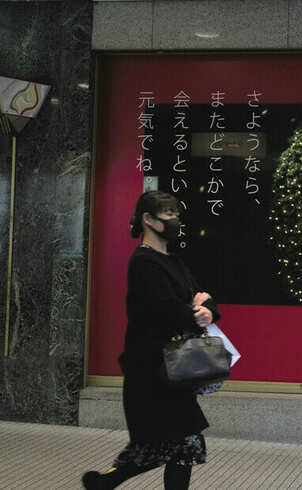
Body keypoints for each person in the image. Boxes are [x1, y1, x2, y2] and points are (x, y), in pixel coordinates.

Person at [83, 190, 220, 490]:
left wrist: (205, 309)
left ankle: (103, 484)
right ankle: (103, 484)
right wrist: (197, 308)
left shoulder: (173, 260)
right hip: (151, 373)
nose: (176, 220)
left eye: (176, 214)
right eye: (169, 214)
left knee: (163, 449)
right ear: (148, 219)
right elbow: (170, 310)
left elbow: (206, 300)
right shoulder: (143, 263)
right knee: (181, 445)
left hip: (174, 370)